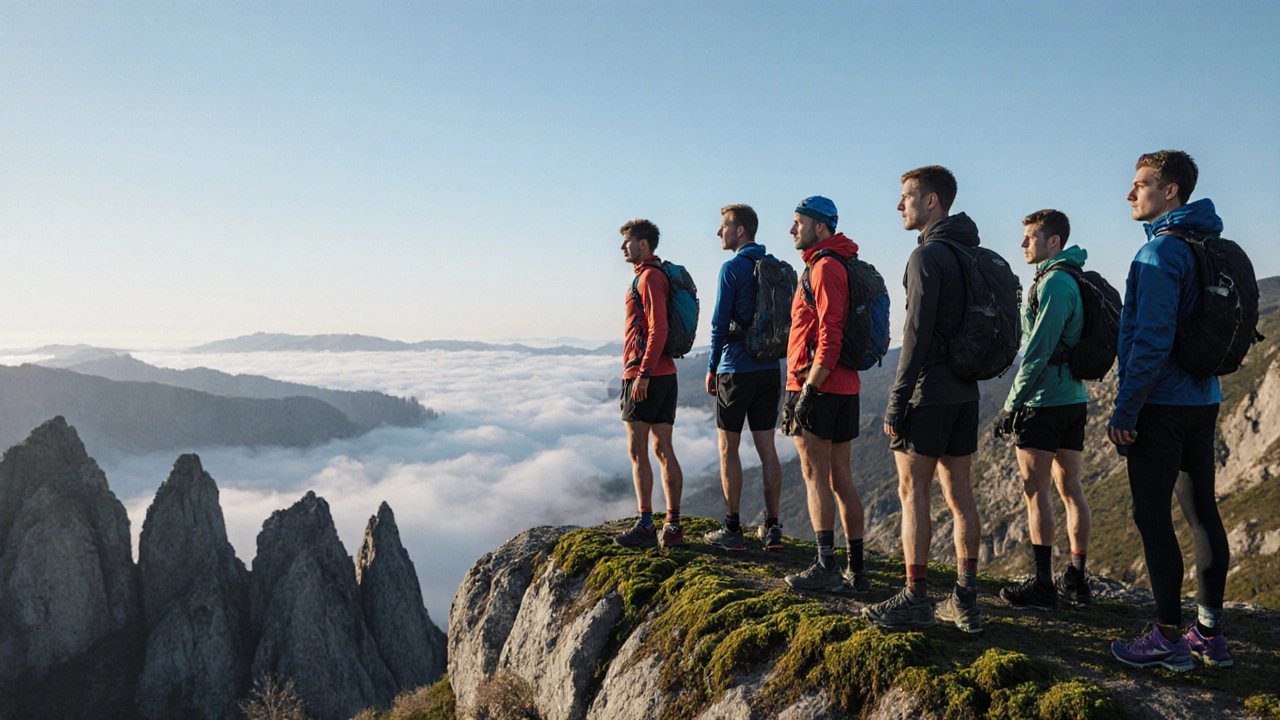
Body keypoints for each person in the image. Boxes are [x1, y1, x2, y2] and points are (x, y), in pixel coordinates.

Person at [1108, 151, 1232, 670]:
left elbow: (1151, 339)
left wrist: (1125, 409)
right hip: (1204, 400)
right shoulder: (1211, 245)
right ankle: (1209, 634)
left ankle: (1165, 637)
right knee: (1203, 512)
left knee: (1151, 515)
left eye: (1141, 185)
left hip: (1161, 404)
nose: (1131, 194)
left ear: (1171, 191)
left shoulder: (1160, 252)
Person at [864, 166, 984, 633]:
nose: (900, 205)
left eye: (907, 197)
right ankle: (965, 599)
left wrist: (897, 400)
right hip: (966, 394)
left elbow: (915, 334)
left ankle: (915, 598)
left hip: (928, 393)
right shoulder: (969, 252)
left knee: (913, 492)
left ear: (932, 201)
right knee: (961, 497)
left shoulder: (926, 256)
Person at [995, 209, 1094, 612]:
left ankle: (1042, 584)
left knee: (1036, 491)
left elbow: (1037, 352)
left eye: (1031, 238)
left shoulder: (1054, 283)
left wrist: (1010, 404)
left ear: (1054, 241)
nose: (1023, 244)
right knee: (1071, 489)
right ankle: (1076, 577)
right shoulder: (1073, 277)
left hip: (1045, 402)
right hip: (1073, 398)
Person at [779, 196, 870, 593]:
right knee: (840, 478)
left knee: (816, 476)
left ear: (820, 227)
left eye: (798, 222)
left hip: (819, 386)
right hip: (843, 386)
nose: (792, 229)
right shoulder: (835, 263)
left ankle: (826, 567)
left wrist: (806, 392)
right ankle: (856, 569)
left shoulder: (825, 267)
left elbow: (830, 336)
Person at [702, 204, 786, 552]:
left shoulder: (732, 268)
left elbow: (720, 323)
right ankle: (772, 527)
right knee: (767, 449)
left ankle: (732, 528)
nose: (719, 233)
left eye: (723, 226)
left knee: (728, 449)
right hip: (769, 369)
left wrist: (711, 367)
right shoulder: (773, 268)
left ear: (740, 231)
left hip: (735, 369)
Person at [614, 218, 685, 549]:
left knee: (639, 450)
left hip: (645, 375)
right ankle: (671, 526)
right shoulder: (653, 276)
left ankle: (647, 525)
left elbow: (659, 328)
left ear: (643, 244)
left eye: (627, 241)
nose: (622, 247)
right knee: (661, 448)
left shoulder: (649, 277)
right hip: (664, 373)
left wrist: (642, 372)